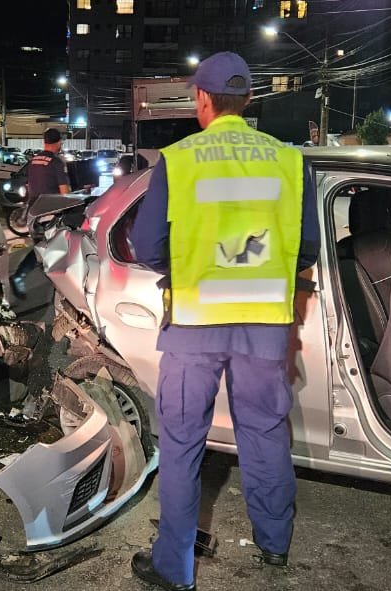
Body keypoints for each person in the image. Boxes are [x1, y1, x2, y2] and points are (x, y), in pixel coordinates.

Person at [128, 51, 319, 591]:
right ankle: (274, 544)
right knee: (265, 431)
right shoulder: (290, 162)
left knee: (182, 440)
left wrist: (187, 267)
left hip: (194, 322)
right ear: (249, 99)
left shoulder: (179, 160)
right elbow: (306, 248)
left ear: (201, 99)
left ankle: (174, 569)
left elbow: (146, 246)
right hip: (263, 324)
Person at [9, 127, 72, 298]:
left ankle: (24, 277)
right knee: (54, 249)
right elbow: (64, 193)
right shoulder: (56, 163)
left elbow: (31, 185)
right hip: (49, 212)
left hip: (34, 211)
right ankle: (56, 291)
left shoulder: (34, 160)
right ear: (58, 142)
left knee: (42, 249)